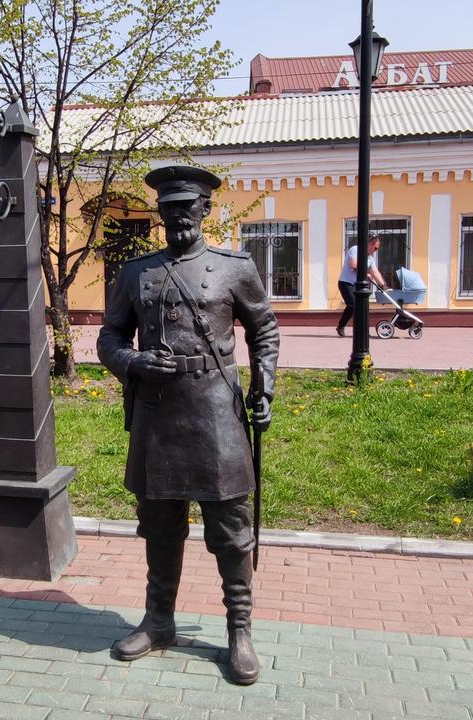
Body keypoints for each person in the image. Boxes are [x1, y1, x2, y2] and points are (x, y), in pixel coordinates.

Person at [97, 166, 279, 685]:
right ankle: (159, 622)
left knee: (230, 533)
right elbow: (109, 339)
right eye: (168, 208)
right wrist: (131, 363)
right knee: (159, 527)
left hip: (217, 414)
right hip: (157, 417)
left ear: (205, 209)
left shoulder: (234, 267)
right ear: (160, 214)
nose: (178, 216)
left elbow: (264, 329)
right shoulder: (136, 273)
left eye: (187, 207)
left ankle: (239, 630)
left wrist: (263, 388)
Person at [335, 233, 389, 337]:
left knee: (361, 307)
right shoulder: (355, 250)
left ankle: (359, 330)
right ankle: (353, 329)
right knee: (353, 305)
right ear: (370, 244)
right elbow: (354, 265)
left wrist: (383, 285)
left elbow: (375, 272)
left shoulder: (370, 258)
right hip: (346, 283)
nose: (376, 251)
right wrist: (365, 273)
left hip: (359, 286)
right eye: (376, 248)